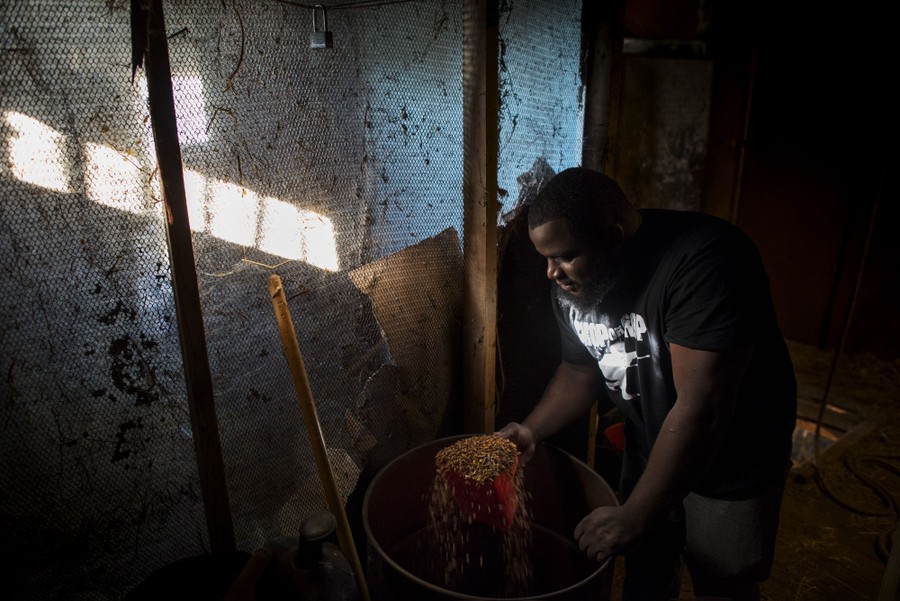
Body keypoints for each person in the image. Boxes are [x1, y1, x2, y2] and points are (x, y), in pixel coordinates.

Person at [497, 167, 797, 601]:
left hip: (731, 458)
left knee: (721, 581)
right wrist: (530, 429)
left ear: (614, 239)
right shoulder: (574, 284)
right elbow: (580, 370)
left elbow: (702, 408)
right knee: (648, 569)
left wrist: (636, 513)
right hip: (652, 443)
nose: (551, 273)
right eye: (545, 258)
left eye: (563, 256)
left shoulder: (706, 263)